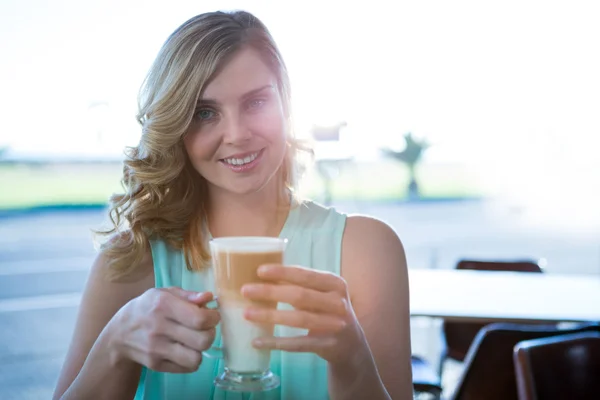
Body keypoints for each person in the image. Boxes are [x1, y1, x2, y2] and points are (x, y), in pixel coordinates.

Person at [53, 10, 413, 400]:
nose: (237, 135)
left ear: (287, 103)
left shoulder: (368, 250)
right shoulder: (129, 262)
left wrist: (353, 358)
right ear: (176, 128)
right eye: (205, 113)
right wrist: (115, 345)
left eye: (256, 102)